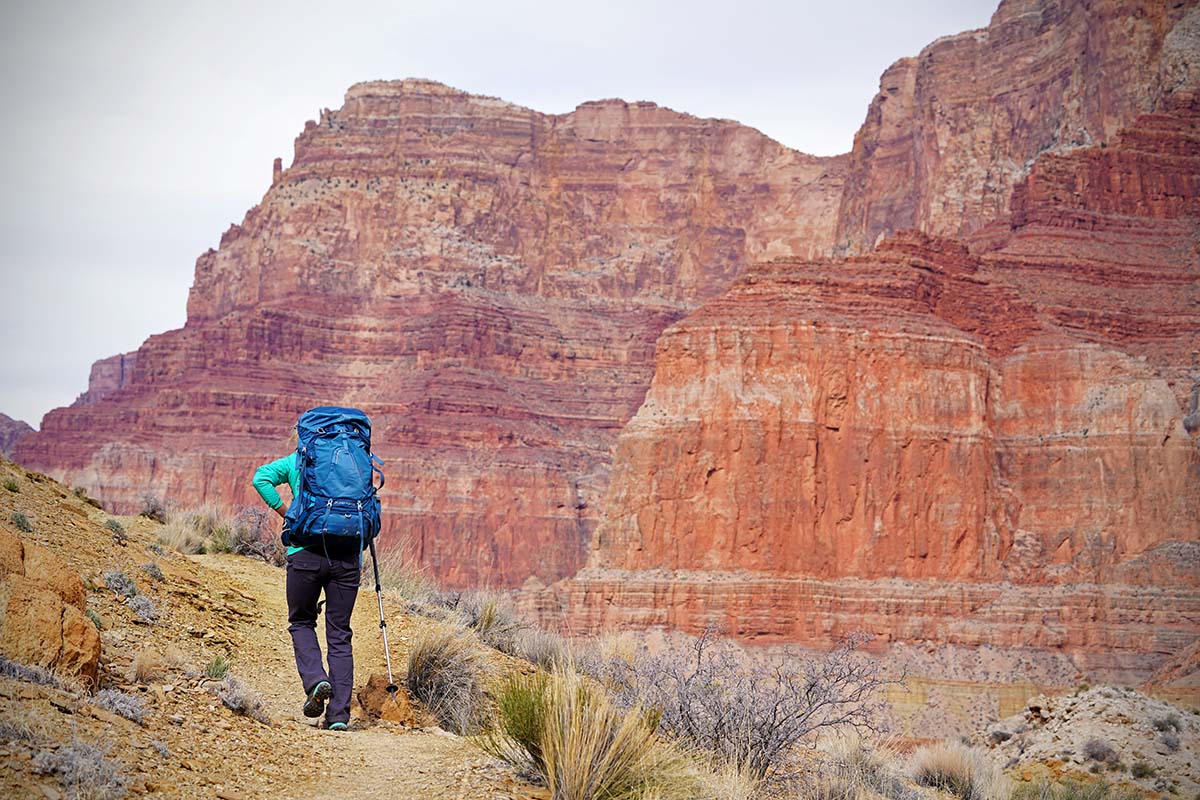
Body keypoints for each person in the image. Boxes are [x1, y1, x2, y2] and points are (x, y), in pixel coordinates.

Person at [253, 446, 362, 731]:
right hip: (347, 556)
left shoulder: (296, 460)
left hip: (305, 554)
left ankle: (316, 679)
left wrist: (289, 515)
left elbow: (260, 478)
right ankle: (338, 716)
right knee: (339, 634)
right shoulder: (353, 463)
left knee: (301, 621)